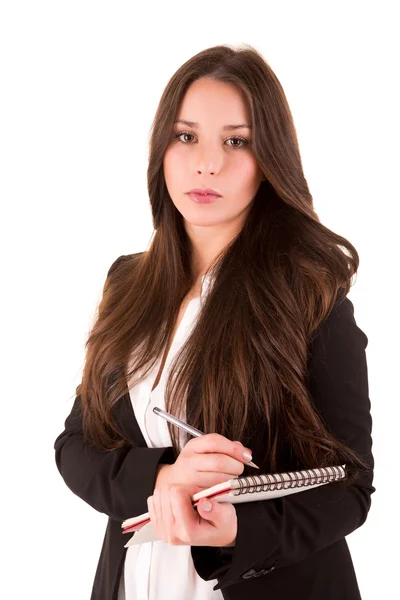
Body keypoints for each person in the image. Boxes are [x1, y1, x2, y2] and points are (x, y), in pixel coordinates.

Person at [54, 43, 375, 600]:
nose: (206, 162)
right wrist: (163, 476)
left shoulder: (309, 294)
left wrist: (237, 529)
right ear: (162, 151)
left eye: (236, 141)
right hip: (137, 583)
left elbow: (350, 487)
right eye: (186, 137)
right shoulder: (127, 282)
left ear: (269, 158)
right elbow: (77, 445)